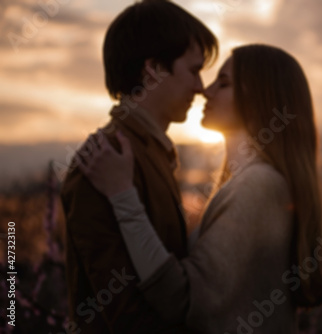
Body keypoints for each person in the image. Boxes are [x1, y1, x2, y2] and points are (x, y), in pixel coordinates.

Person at [77, 44, 322, 333]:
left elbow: (181, 300)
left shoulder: (258, 186)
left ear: (259, 99)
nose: (206, 90)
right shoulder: (253, 182)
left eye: (224, 83)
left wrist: (121, 194)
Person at [60, 0, 218, 332]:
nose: (201, 87)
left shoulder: (146, 153)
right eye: (193, 69)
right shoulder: (104, 162)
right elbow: (124, 313)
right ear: (154, 69)